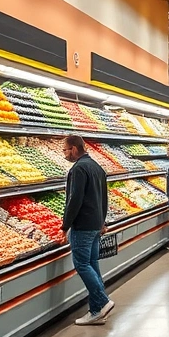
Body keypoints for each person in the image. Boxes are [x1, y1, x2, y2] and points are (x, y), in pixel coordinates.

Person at [62, 135, 114, 326]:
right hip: (95, 224)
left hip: (82, 225)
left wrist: (65, 225)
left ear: (75, 149)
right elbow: (104, 198)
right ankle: (96, 311)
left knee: (82, 264)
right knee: (92, 263)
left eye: (65, 150)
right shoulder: (97, 167)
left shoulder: (78, 169)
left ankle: (103, 301)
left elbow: (74, 200)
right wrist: (102, 221)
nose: (64, 154)